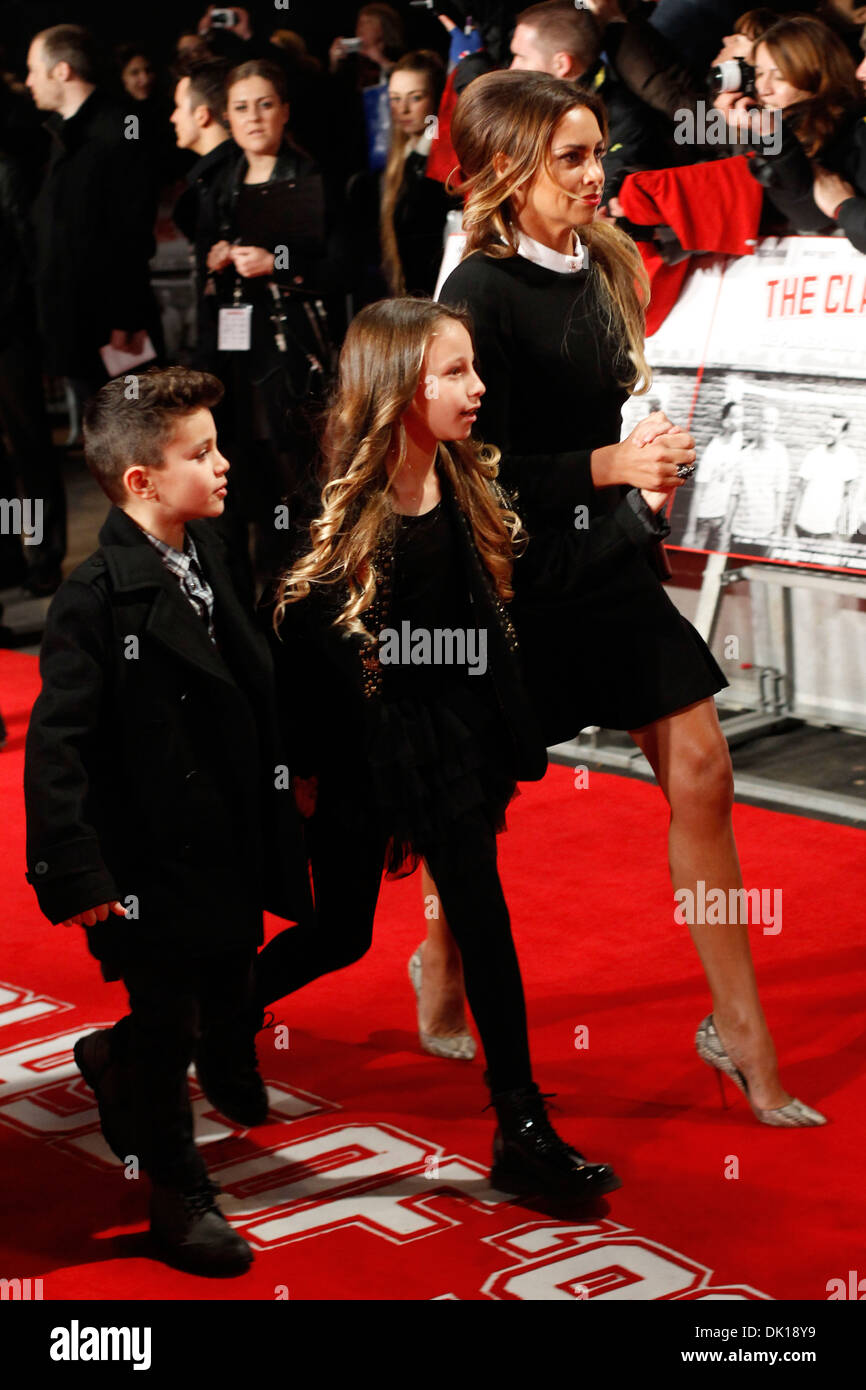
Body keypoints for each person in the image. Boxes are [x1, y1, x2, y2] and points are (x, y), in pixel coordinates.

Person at [438, 69, 826, 1127]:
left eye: (595, 151)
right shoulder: (475, 293)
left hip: (604, 562)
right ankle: (439, 963)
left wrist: (639, 454)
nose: (593, 173)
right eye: (568, 157)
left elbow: (601, 417)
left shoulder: (608, 260)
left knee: (702, 770)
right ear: (508, 168)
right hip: (514, 577)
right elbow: (471, 471)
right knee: (476, 799)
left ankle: (740, 1034)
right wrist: (607, 466)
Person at [255, 297, 667, 1200]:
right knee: (341, 933)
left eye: (473, 367)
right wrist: (301, 769)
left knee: (484, 922)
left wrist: (637, 518)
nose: (477, 388)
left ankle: (521, 1125)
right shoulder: (326, 510)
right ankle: (194, 1025)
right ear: (399, 387)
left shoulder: (468, 477)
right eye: (454, 372)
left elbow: (537, 580)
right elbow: (293, 659)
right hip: (360, 748)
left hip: (450, 743)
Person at [23, 367, 312, 1275]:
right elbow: (57, 746)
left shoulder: (210, 550)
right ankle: (177, 1193)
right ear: (141, 480)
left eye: (219, 447)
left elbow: (249, 680)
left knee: (226, 991)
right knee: (168, 1019)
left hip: (227, 839)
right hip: (146, 859)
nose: (225, 465)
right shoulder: (94, 598)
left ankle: (124, 1060)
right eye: (202, 453)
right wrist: (75, 867)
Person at [203, 58, 334, 579]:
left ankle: (301, 582)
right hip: (233, 348)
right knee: (241, 465)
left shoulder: (310, 177)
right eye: (241, 108)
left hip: (290, 350)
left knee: (294, 466)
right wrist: (214, 257)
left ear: (284, 111)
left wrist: (275, 262)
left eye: (264, 105)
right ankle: (248, 586)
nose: (253, 117)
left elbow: (340, 266)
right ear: (227, 117)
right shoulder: (221, 180)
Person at [25, 25, 161, 413]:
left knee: (131, 425)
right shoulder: (64, 137)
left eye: (33, 69)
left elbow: (132, 230)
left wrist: (126, 318)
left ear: (62, 70)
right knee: (102, 429)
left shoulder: (120, 127)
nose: (29, 81)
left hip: (111, 330)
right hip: (74, 325)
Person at [170, 56, 235, 370]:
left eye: (177, 107)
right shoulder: (205, 182)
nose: (172, 117)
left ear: (201, 114)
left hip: (232, 351)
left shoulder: (230, 181)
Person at [381, 50, 451, 296]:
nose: (403, 109)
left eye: (416, 97)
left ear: (437, 98)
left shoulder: (443, 163)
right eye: (395, 99)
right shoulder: (400, 157)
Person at [681, 400, 745, 550]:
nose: (741, 421)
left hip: (723, 519)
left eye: (742, 416)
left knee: (718, 560)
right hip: (704, 518)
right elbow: (698, 492)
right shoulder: (712, 452)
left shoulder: (737, 441)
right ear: (725, 422)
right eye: (736, 417)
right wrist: (690, 531)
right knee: (693, 558)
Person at [789, 413, 861, 541]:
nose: (828, 432)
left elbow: (848, 498)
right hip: (802, 528)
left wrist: (842, 532)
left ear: (843, 433)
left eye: (833, 429)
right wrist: (790, 527)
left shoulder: (849, 459)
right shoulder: (813, 455)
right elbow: (800, 491)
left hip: (827, 532)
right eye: (828, 427)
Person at [725, 402, 790, 541]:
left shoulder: (780, 454)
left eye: (771, 423)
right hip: (740, 529)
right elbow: (734, 493)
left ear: (776, 426)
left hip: (765, 531)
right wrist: (727, 526)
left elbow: (781, 493)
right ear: (758, 423)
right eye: (764, 422)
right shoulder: (744, 454)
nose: (766, 427)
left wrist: (777, 526)